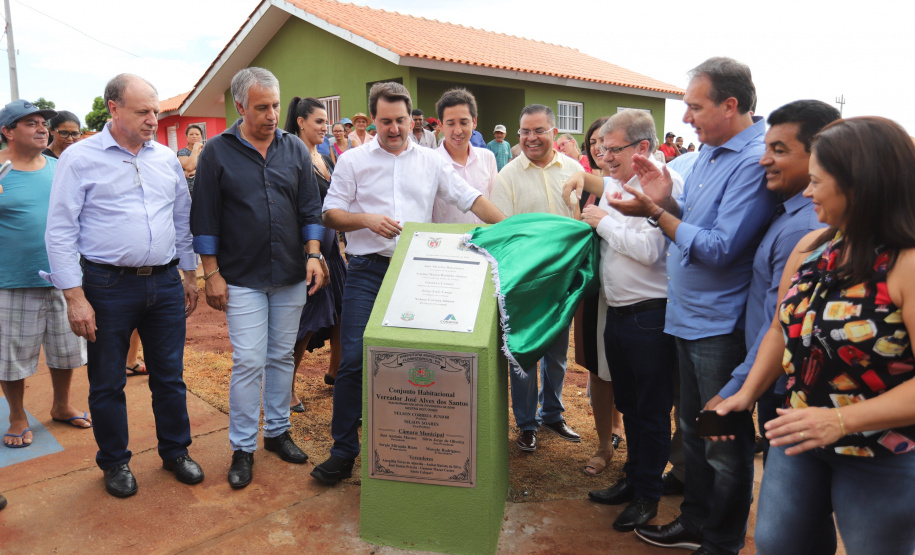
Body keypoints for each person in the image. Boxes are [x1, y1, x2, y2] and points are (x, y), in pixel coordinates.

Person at [714, 116, 915, 554]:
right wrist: (746, 394)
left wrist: (840, 421)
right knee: (779, 544)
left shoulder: (907, 263)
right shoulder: (813, 250)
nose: (806, 192)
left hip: (882, 453)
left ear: (860, 185)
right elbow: (779, 330)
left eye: (817, 182)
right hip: (798, 436)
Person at [600, 57, 777, 554]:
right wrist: (667, 204)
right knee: (694, 433)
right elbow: (690, 226)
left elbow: (720, 249)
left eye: (694, 107)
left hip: (720, 325)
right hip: (686, 316)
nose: (685, 119)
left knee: (723, 440)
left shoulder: (752, 160)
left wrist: (655, 211)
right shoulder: (707, 156)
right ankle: (695, 520)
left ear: (731, 104)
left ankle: (721, 540)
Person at [314, 81, 505, 485]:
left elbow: (470, 198)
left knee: (416, 358)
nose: (395, 128)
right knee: (354, 360)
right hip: (367, 270)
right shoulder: (351, 160)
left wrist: (513, 228)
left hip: (416, 271)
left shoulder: (432, 162)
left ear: (411, 118)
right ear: (373, 120)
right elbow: (330, 214)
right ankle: (343, 451)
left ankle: (413, 448)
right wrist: (366, 219)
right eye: (386, 121)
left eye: (401, 120)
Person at [44, 74, 203, 498]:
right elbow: (59, 232)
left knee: (169, 377)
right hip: (107, 285)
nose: (153, 119)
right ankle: (114, 461)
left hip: (166, 282)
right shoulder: (79, 159)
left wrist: (189, 274)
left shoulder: (166, 159)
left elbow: (182, 220)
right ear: (113, 108)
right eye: (143, 111)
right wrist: (75, 297)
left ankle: (175, 452)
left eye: (155, 111)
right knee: (108, 380)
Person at [191, 68, 325, 489]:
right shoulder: (216, 152)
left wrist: (314, 255)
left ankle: (277, 433)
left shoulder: (294, 150)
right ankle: (243, 446)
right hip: (242, 278)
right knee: (249, 360)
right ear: (241, 106)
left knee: (282, 356)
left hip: (289, 275)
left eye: (275, 106)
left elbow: (309, 209)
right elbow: (205, 218)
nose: (271, 115)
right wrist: (211, 274)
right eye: (262, 107)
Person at [566, 110, 683, 532]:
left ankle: (648, 497)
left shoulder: (660, 186)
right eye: (600, 149)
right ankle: (634, 480)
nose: (603, 157)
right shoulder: (620, 182)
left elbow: (650, 251)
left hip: (650, 316)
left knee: (650, 412)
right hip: (619, 313)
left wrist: (602, 224)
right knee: (630, 405)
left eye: (613, 149)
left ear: (643, 148)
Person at [711, 100, 838, 464]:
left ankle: (716, 522)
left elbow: (779, 320)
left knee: (782, 488)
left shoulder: (805, 228)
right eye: (765, 147)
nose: (763, 159)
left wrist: (739, 386)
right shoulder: (786, 211)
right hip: (768, 379)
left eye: (778, 150)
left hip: (781, 386)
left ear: (821, 154)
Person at [489, 104, 581, 453]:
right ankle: (526, 423)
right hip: (524, 284)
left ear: (553, 133)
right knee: (524, 355)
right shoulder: (507, 176)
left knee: (557, 355)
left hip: (562, 281)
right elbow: (502, 233)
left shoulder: (573, 170)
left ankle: (552, 414)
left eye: (539, 130)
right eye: (525, 131)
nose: (531, 137)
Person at [0, 99, 91, 449]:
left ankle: (62, 404)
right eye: (30, 123)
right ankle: (17, 415)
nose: (41, 128)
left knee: (65, 348)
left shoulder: (58, 168)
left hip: (62, 277)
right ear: (7, 131)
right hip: (11, 280)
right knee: (11, 356)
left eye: (42, 122)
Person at [283, 96, 347, 407]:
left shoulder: (323, 157)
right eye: (319, 122)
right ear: (301, 122)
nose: (325, 127)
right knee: (305, 325)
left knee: (342, 314)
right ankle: (285, 388)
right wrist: (314, 254)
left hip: (332, 251)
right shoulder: (292, 158)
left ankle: (336, 373)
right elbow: (294, 211)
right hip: (311, 254)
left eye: (325, 122)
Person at [573, 116, 624, 476]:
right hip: (594, 289)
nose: (599, 149)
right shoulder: (587, 189)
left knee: (626, 369)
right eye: (593, 143)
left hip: (629, 294)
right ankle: (604, 443)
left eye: (605, 144)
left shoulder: (632, 185)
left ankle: (624, 435)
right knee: (598, 368)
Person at [431, 88, 497, 224]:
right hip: (448, 242)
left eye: (464, 122)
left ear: (474, 122)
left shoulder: (487, 158)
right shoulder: (431, 162)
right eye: (450, 123)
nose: (458, 130)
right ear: (440, 125)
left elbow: (494, 201)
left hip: (483, 241)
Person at [177, 124, 204, 195]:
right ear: (187, 137)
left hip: (204, 187)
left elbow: (212, 168)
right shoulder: (182, 152)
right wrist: (195, 148)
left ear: (201, 136)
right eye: (191, 134)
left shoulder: (206, 151)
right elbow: (189, 167)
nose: (194, 136)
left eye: (197, 134)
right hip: (188, 190)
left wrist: (195, 171)